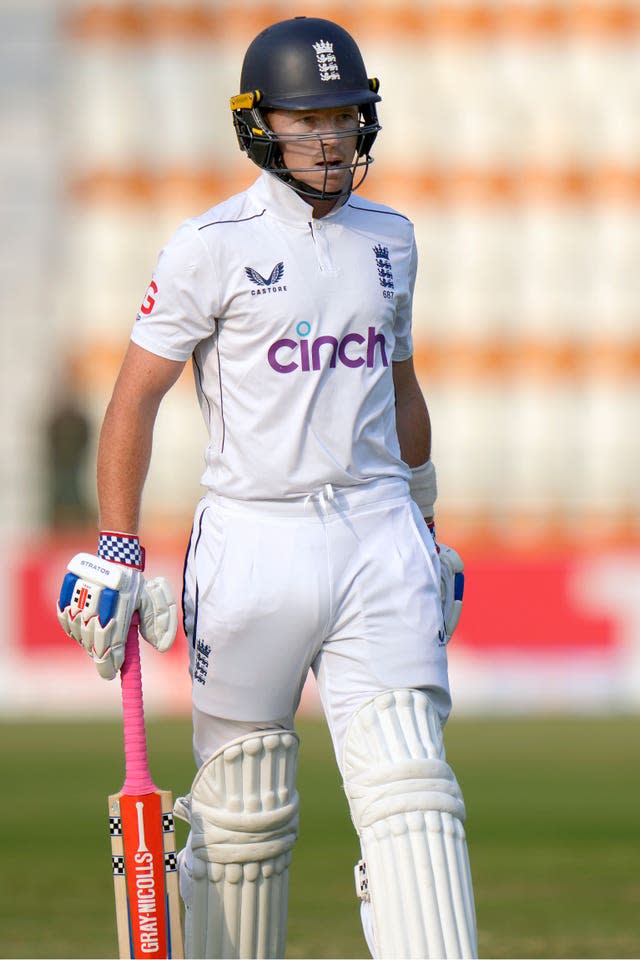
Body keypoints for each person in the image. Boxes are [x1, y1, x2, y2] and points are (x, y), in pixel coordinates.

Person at [57, 16, 477, 959]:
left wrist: (425, 520)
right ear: (260, 126)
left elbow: (399, 390)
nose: (330, 139)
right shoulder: (209, 244)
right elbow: (132, 405)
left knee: (415, 793)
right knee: (244, 818)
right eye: (307, 118)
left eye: (344, 116)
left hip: (378, 533)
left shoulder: (392, 240)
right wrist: (118, 551)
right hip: (252, 540)